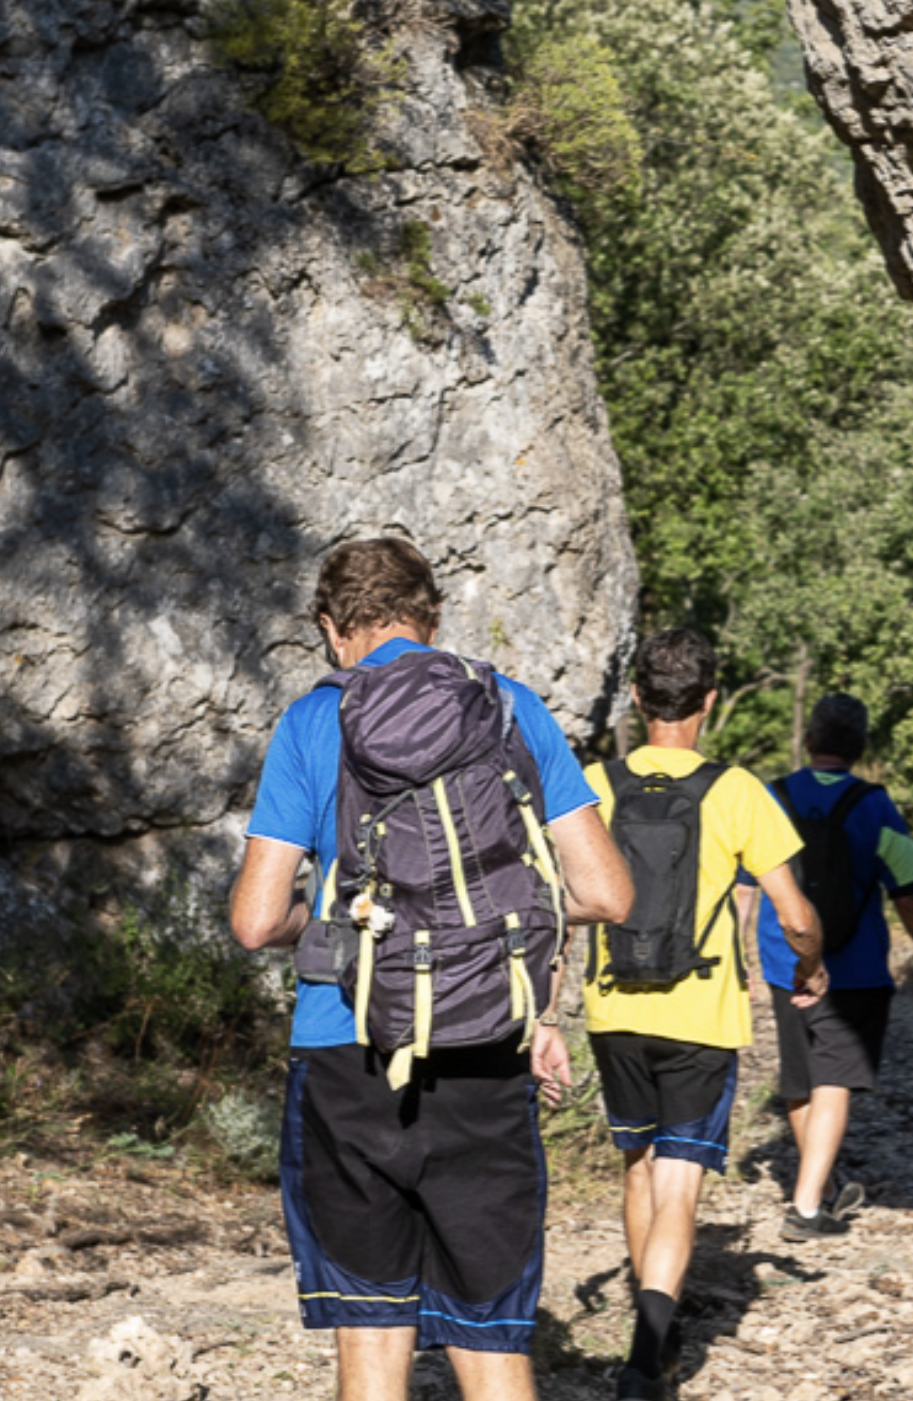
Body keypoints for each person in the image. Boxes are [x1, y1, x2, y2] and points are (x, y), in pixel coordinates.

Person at [229, 537, 632, 1401]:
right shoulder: (511, 708)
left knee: (373, 1343)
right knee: (491, 1347)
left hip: (345, 1050)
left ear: (333, 630)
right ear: (434, 617)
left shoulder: (311, 721)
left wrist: (331, 925)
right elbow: (606, 893)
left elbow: (256, 919)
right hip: (485, 1047)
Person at [580, 628, 827, 1401]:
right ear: (710, 702)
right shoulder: (738, 791)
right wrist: (811, 965)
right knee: (681, 1180)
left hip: (612, 1007)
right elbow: (792, 914)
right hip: (701, 1014)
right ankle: (647, 1358)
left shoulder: (593, 783)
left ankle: (658, 1326)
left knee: (639, 1165)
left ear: (635, 698)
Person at [759, 692, 913, 1241]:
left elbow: (746, 889)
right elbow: (908, 891)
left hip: (784, 960)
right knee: (835, 1079)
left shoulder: (773, 798)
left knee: (800, 1081)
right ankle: (808, 1208)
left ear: (809, 741)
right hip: (858, 967)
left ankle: (825, 1183)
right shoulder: (876, 805)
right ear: (861, 748)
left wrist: (744, 961)